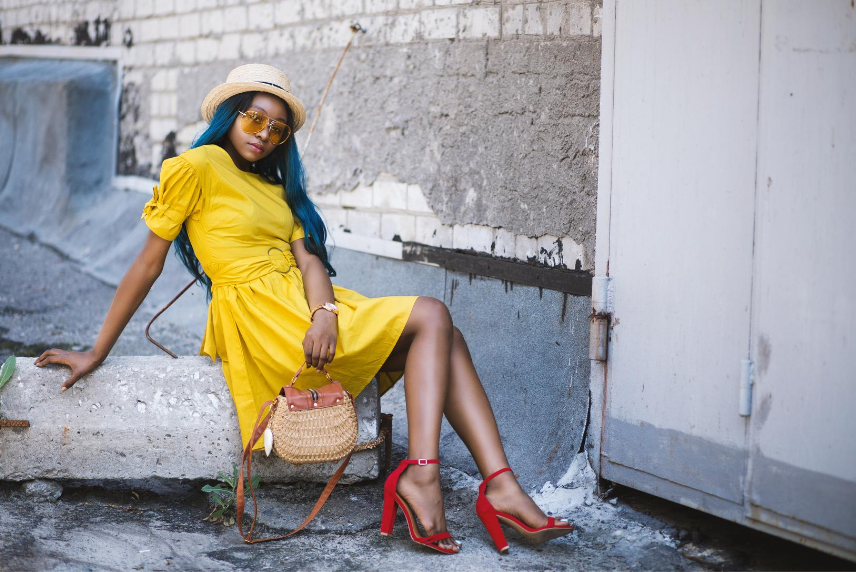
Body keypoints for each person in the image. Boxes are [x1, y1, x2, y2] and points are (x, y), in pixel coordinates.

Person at [33, 63, 573, 554]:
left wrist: (324, 314)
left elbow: (310, 263)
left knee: (442, 334)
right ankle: (426, 478)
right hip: (261, 319)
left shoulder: (276, 187)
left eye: (277, 129)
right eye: (254, 118)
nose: (264, 134)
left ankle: (498, 486)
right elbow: (146, 266)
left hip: (306, 310)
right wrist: (97, 351)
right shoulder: (194, 168)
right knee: (431, 315)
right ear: (229, 115)